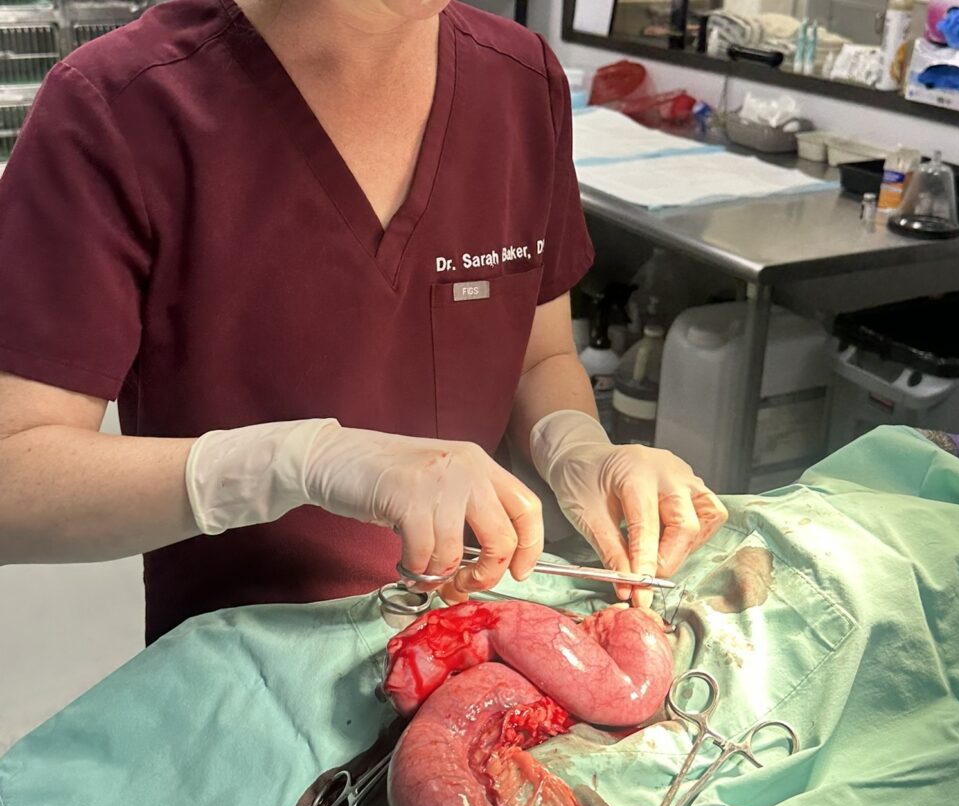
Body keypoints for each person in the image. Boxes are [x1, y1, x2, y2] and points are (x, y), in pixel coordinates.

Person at [0, 0, 726, 645]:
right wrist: (295, 463)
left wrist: (577, 448)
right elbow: (15, 479)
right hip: (252, 659)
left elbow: (539, 357)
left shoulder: (518, 78)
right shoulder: (121, 105)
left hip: (470, 629)